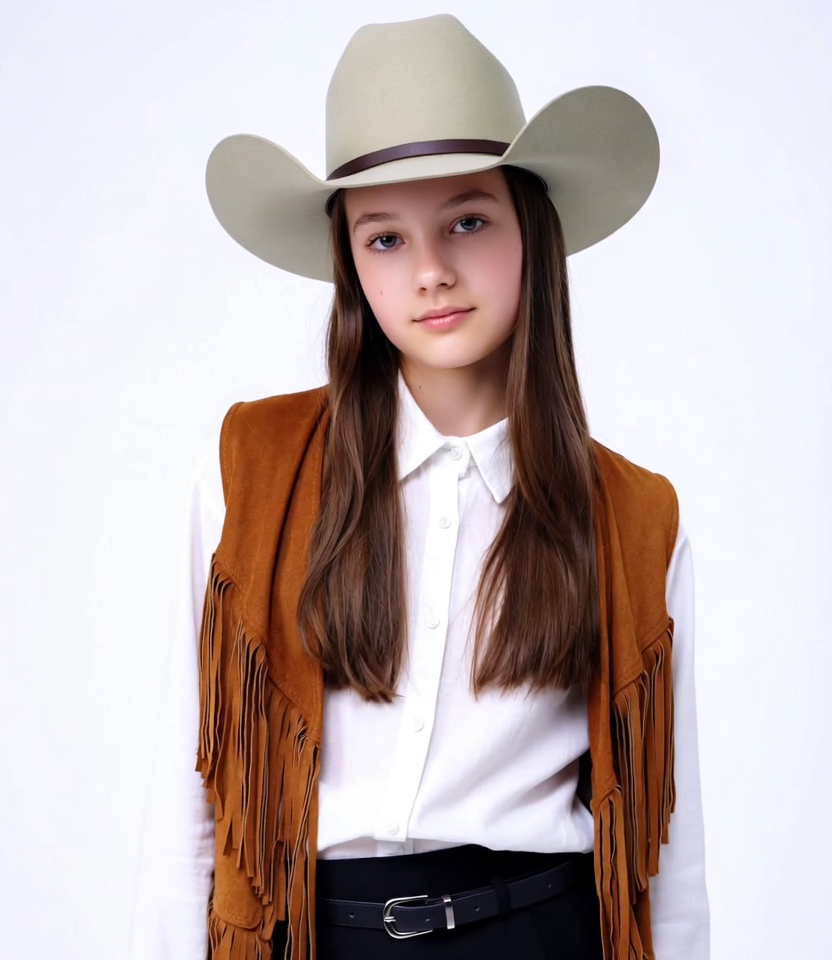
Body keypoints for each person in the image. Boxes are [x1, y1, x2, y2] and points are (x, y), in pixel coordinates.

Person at [128, 13, 710, 960]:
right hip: (314, 938)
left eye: (468, 221)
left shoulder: (635, 517)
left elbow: (665, 853)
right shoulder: (251, 470)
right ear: (350, 264)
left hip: (540, 933)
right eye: (385, 238)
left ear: (532, 227)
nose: (432, 272)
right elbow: (190, 794)